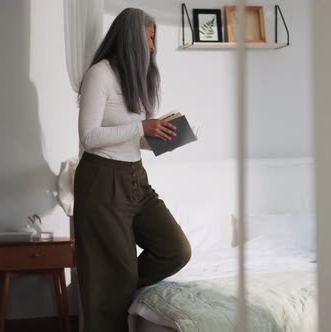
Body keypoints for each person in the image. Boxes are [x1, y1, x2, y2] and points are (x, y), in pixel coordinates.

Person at [73, 7, 192, 332]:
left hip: (135, 178)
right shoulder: (100, 74)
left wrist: (160, 135)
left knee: (175, 249)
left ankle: (112, 291)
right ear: (130, 38)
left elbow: (129, 137)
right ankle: (108, 295)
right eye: (149, 38)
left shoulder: (134, 79)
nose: (153, 47)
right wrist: (143, 127)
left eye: (154, 40)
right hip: (101, 180)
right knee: (115, 273)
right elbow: (89, 137)